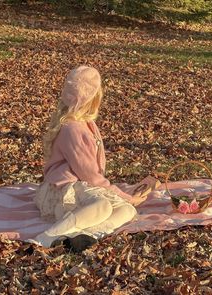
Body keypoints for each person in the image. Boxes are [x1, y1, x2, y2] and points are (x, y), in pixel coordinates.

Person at [31, 65, 148, 250]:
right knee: (103, 205)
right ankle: (46, 237)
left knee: (127, 210)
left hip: (81, 187)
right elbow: (91, 177)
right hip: (63, 191)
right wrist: (126, 195)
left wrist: (127, 201)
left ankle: (84, 236)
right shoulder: (73, 129)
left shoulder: (86, 123)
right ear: (92, 97)